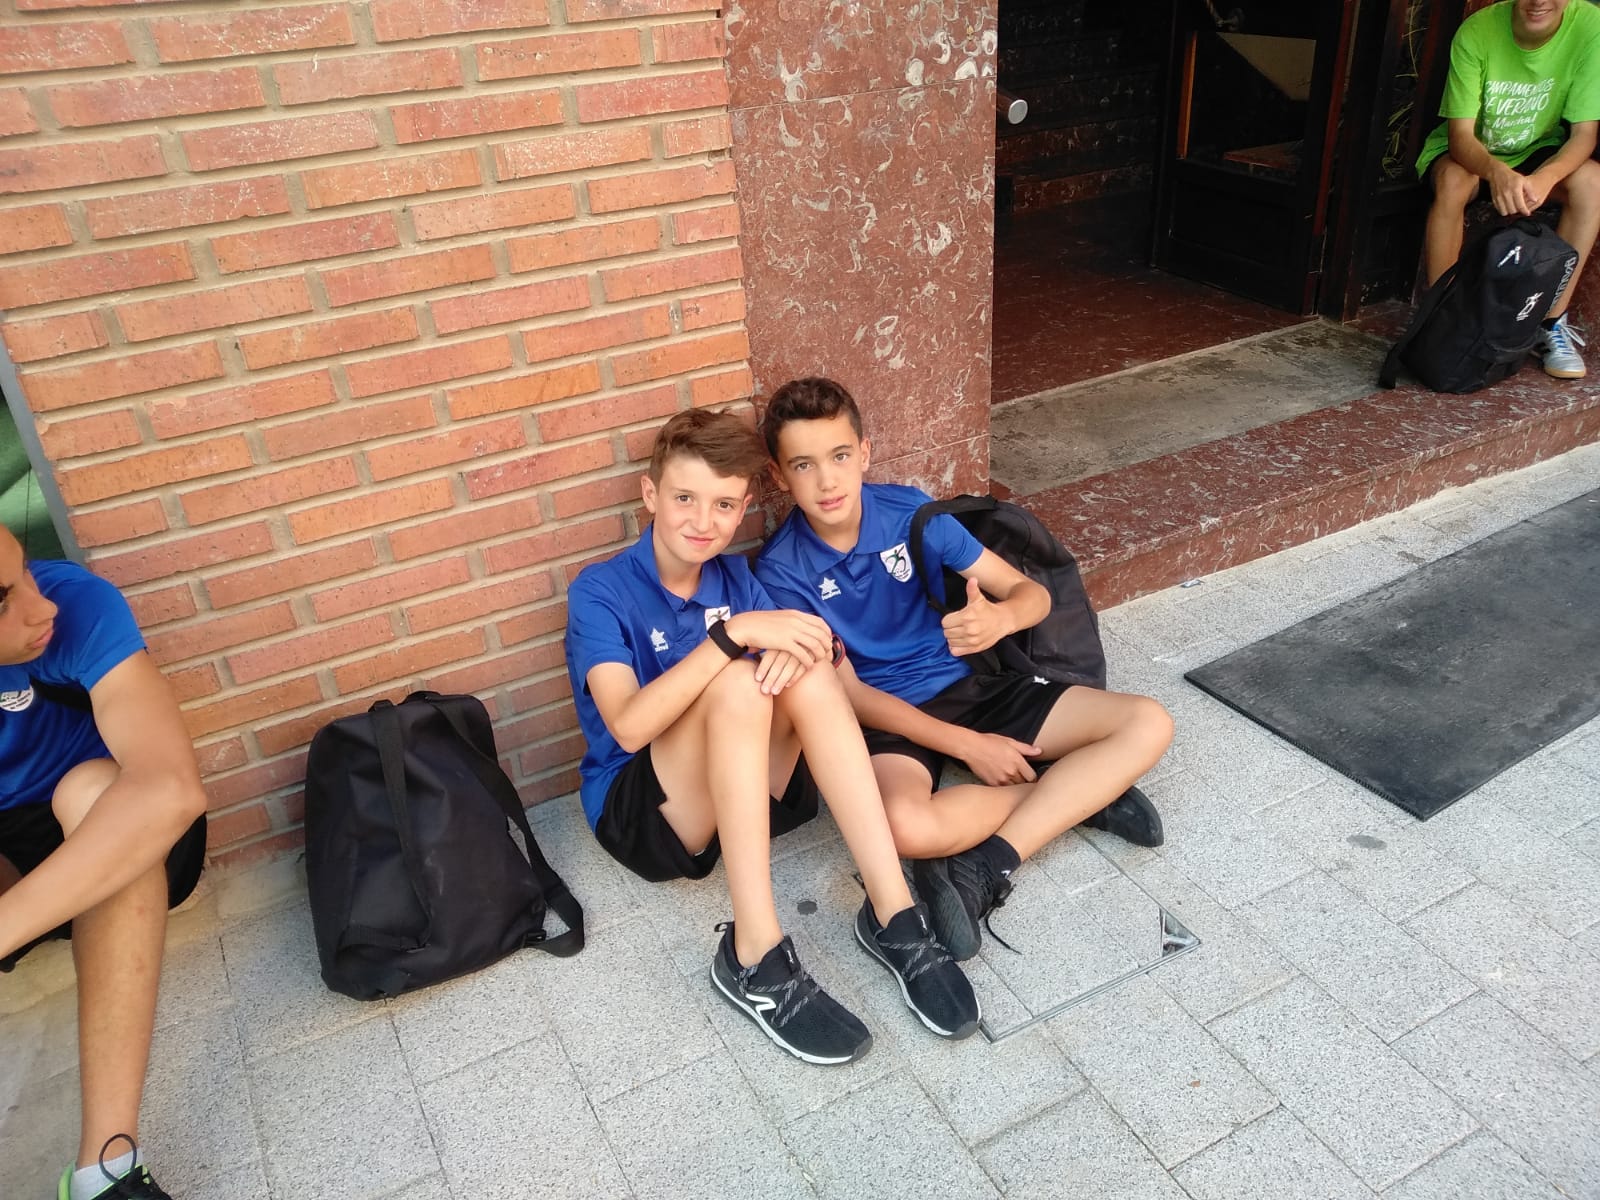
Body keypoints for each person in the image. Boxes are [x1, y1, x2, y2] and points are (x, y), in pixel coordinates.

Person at [563, 409, 978, 1065]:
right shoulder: (601, 589)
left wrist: (798, 646)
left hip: (744, 789)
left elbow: (805, 664)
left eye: (724, 505)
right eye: (685, 498)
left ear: (741, 511)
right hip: (642, 813)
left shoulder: (735, 578)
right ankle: (753, 954)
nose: (703, 521)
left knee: (808, 672)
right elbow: (630, 725)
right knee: (737, 677)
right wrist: (733, 636)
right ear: (650, 495)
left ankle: (894, 913)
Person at [754, 378, 1174, 961]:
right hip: (884, 717)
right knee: (904, 829)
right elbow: (849, 697)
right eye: (804, 465)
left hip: (970, 684)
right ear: (779, 476)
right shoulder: (780, 572)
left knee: (1148, 722)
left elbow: (1031, 594)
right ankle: (1077, 797)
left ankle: (988, 862)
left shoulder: (911, 514)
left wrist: (1000, 620)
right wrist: (969, 747)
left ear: (865, 452)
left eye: (840, 455)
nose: (827, 480)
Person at [0, 525, 209, 1200]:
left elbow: (169, 789)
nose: (40, 606)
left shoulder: (74, 604)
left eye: (25, 571)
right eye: (2, 600)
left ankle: (104, 1172)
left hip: (113, 816)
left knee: (104, 800)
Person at [1417, 0, 1600, 379]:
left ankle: (1549, 324)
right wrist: (1495, 172)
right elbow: (1460, 137)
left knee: (1593, 182)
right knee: (1452, 182)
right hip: (1474, 155)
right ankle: (1440, 319)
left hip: (1537, 151)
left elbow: (1584, 135)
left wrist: (1546, 177)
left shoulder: (1590, 26)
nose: (1539, 1)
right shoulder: (1477, 30)